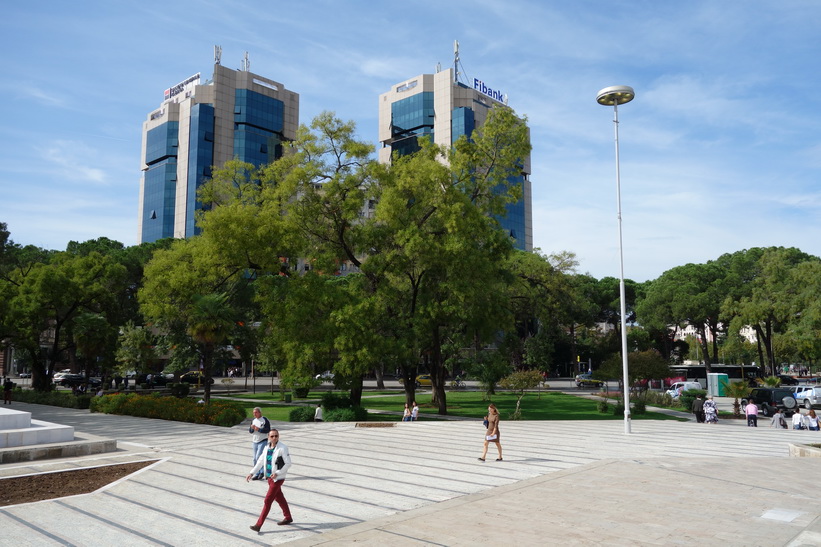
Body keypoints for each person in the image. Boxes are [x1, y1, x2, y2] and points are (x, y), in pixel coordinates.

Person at [246, 429, 292, 531]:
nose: (274, 438)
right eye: (272, 436)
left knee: (268, 500)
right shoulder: (267, 447)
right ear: (268, 437)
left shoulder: (283, 448)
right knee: (279, 498)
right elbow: (260, 461)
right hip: (269, 478)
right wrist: (252, 473)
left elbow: (288, 463)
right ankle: (288, 517)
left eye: (276, 436)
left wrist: (277, 473)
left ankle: (258, 525)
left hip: (278, 478)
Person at [248, 407, 271, 481]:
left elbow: (268, 430)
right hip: (255, 441)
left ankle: (261, 473)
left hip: (262, 441)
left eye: (256, 412)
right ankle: (257, 473)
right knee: (254, 459)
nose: (254, 414)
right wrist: (252, 428)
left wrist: (259, 429)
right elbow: (250, 431)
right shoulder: (253, 420)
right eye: (253, 412)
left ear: (260, 413)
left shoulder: (264, 420)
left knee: (258, 457)